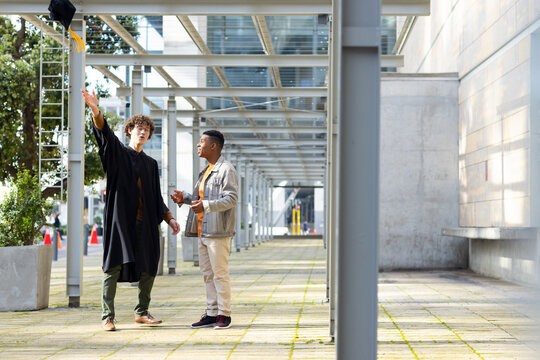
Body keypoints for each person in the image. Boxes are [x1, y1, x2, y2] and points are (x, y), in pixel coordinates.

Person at [81, 89, 180, 332]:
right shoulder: (118, 154)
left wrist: (169, 218)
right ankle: (107, 316)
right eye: (138, 128)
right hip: (120, 222)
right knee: (113, 266)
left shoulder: (151, 163)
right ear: (129, 131)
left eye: (146, 129)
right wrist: (95, 109)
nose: (143, 132)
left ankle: (142, 312)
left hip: (145, 223)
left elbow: (156, 198)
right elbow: (104, 133)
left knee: (149, 265)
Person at [171, 130, 238, 330]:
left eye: (202, 142)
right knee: (207, 274)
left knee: (220, 274)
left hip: (218, 232)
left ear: (213, 146)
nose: (198, 145)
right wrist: (184, 198)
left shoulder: (226, 169)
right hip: (203, 231)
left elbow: (232, 199)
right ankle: (211, 313)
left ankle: (224, 314)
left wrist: (207, 206)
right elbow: (200, 200)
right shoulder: (206, 170)